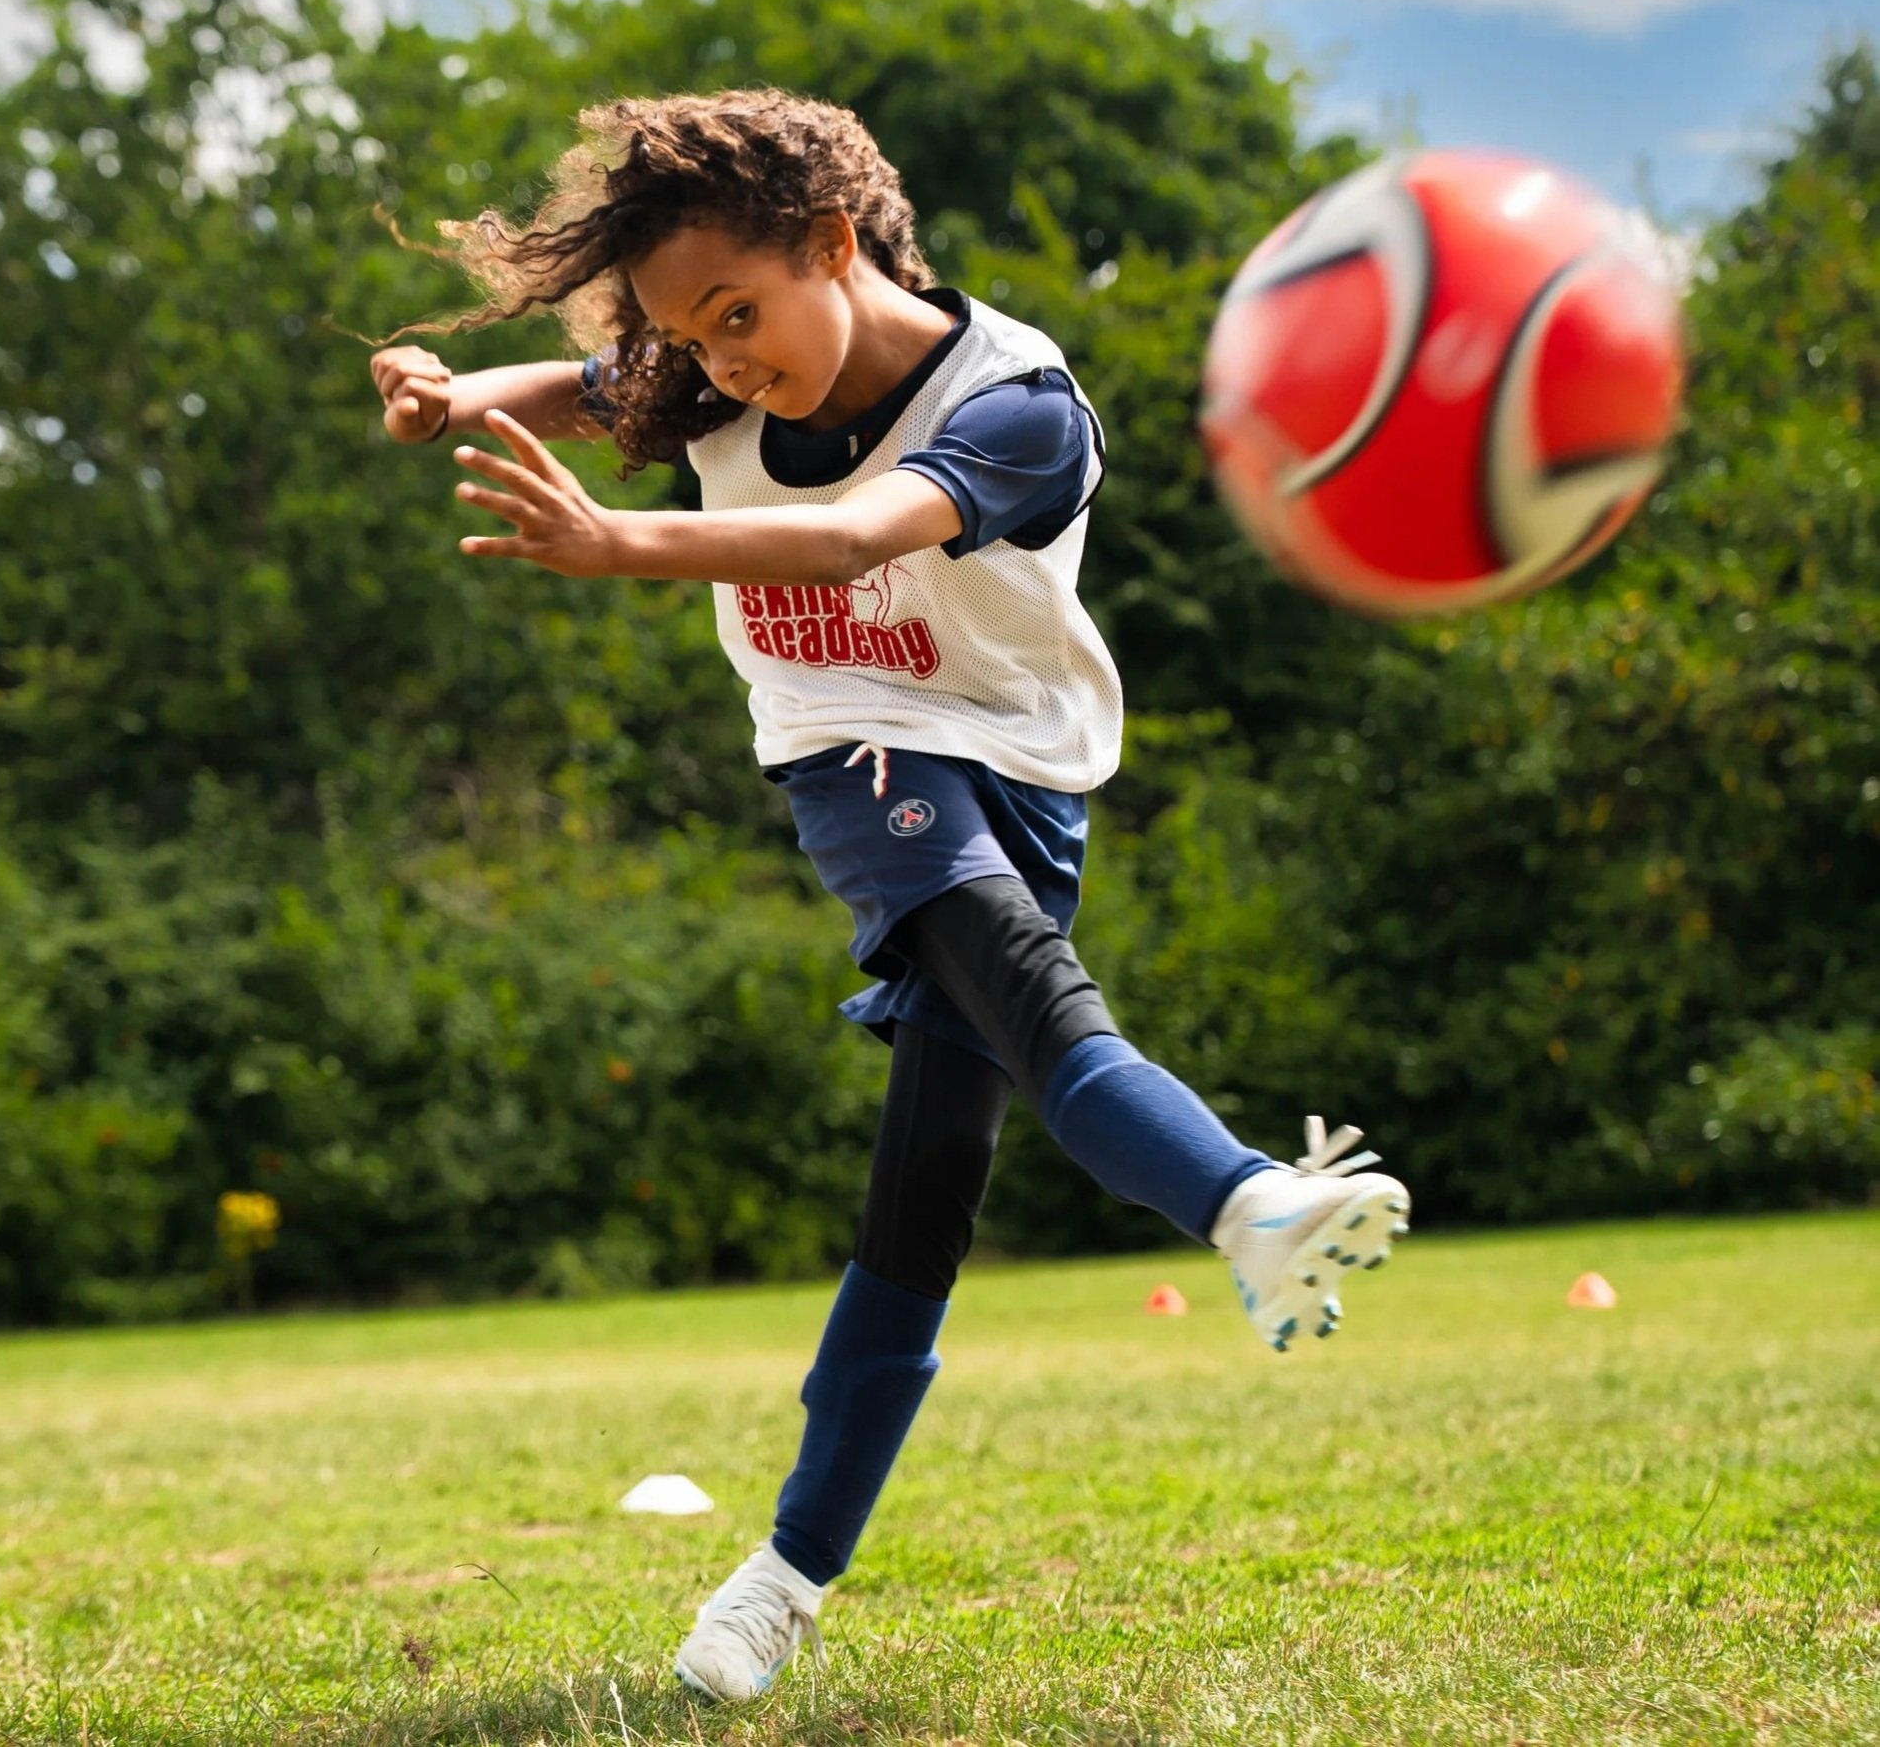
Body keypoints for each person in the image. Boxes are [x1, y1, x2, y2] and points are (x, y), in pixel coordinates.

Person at [369, 88, 1410, 1702]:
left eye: (737, 318)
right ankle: (1247, 1201)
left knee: (921, 1200)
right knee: (1032, 1013)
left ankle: (783, 1572)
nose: (718, 364)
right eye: (687, 337)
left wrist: (616, 548)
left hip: (1024, 779)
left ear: (833, 242)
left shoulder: (1015, 403)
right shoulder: (699, 365)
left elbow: (853, 532)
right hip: (854, 751)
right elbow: (582, 389)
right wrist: (450, 391)